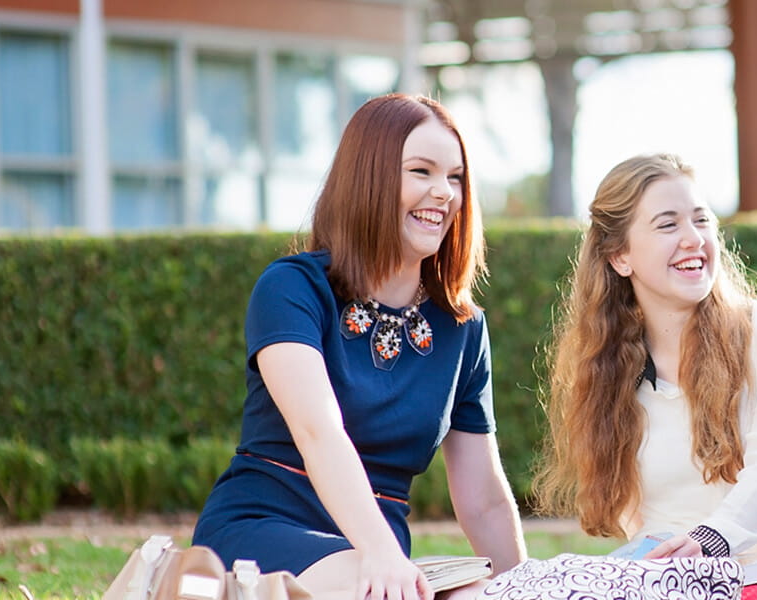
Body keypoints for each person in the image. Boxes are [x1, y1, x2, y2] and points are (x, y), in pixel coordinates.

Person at [190, 93, 526, 600]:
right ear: (369, 176)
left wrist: (524, 585)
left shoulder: (463, 328)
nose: (444, 193)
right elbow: (318, 431)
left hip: (377, 555)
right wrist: (380, 555)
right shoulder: (292, 289)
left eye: (455, 177)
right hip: (265, 530)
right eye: (422, 171)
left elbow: (484, 502)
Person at [534, 153, 757, 567]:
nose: (693, 238)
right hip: (670, 581)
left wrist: (707, 543)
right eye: (668, 224)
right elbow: (644, 526)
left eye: (702, 220)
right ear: (620, 257)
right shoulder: (613, 374)